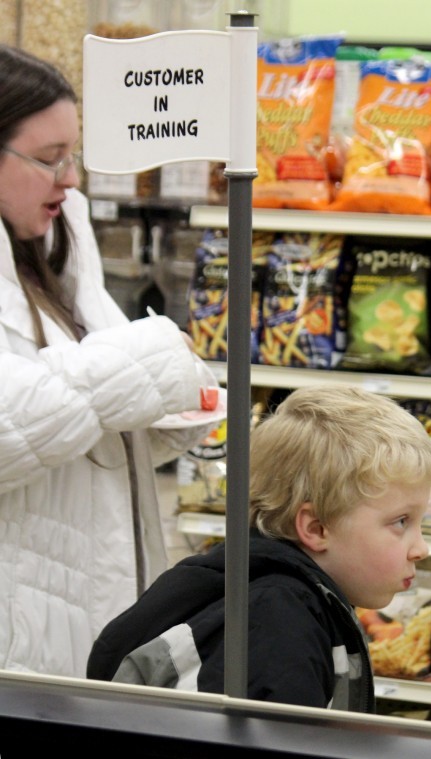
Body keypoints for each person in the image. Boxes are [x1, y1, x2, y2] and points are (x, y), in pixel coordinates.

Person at [0, 44, 222, 678]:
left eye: (73, 156)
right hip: (21, 641)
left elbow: (81, 418)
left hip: (86, 608)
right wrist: (148, 362)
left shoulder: (55, 250)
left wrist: (166, 407)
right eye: (48, 160)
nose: (70, 179)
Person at [87, 385, 431, 713]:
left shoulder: (273, 596)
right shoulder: (278, 627)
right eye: (401, 522)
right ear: (316, 528)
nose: (421, 548)